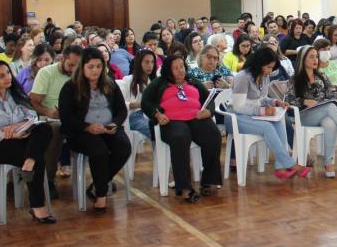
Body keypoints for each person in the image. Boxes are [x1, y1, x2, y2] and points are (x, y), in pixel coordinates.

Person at [0, 60, 56, 223]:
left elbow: (32, 116)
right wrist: (5, 133)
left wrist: (18, 126)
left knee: (44, 128)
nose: (7, 77)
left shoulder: (15, 95)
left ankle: (28, 163)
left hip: (19, 139)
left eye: (8, 73)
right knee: (38, 158)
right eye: (1, 76)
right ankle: (37, 207)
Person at [58, 47, 132, 213]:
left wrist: (115, 124)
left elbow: (121, 110)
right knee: (99, 151)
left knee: (124, 148)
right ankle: (101, 195)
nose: (95, 70)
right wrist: (87, 127)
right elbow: (66, 117)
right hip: (81, 132)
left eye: (99, 66)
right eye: (91, 66)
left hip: (107, 128)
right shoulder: (70, 87)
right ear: (82, 67)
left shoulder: (109, 84)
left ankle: (96, 185)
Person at [141, 55, 223, 202]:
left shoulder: (192, 81)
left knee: (213, 135)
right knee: (180, 137)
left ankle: (209, 180)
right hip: (172, 120)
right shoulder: (159, 83)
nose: (180, 71)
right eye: (175, 68)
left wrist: (208, 111)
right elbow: (146, 102)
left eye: (182, 67)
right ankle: (184, 187)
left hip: (195, 117)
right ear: (168, 70)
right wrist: (157, 115)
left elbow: (209, 100)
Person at [285, 45, 337, 177]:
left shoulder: (322, 76)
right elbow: (288, 100)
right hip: (304, 115)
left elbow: (333, 94)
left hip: (324, 112)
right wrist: (304, 101)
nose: (316, 60)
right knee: (330, 108)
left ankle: (328, 162)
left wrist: (329, 98)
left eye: (316, 56)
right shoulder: (295, 79)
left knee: (330, 121)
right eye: (311, 57)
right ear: (302, 59)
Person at [230, 47, 310, 180]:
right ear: (258, 64)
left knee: (279, 121)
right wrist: (262, 111)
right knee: (267, 126)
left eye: (272, 67)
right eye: (268, 67)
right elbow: (238, 106)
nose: (270, 71)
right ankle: (290, 164)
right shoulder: (242, 77)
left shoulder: (263, 77)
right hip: (236, 117)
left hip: (253, 117)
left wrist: (275, 102)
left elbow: (262, 99)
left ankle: (280, 167)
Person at [30, 45, 83, 197]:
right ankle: (48, 179)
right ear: (62, 59)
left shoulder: (80, 75)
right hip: (49, 118)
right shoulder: (46, 72)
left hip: (73, 117)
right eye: (71, 65)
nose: (73, 70)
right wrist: (50, 112)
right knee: (56, 129)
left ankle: (101, 178)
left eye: (77, 66)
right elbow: (34, 102)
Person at [123, 49, 157, 141]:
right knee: (155, 132)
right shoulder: (128, 80)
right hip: (134, 116)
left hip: (152, 114)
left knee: (162, 130)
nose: (150, 65)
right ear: (139, 63)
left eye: (152, 62)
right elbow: (120, 103)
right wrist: (138, 104)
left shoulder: (154, 82)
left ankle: (160, 155)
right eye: (146, 62)